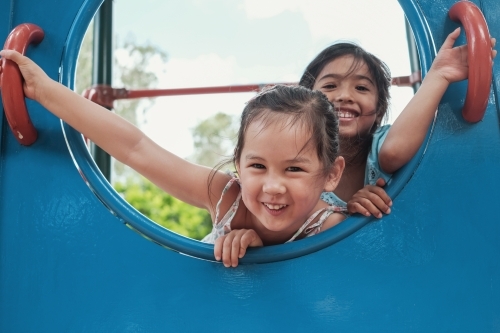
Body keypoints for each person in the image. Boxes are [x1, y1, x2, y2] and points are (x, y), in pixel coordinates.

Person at [0, 50, 347, 267]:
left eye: (294, 169)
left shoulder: (331, 226)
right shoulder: (226, 194)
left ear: (331, 175)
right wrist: (44, 90)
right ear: (238, 164)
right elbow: (138, 148)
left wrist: (258, 254)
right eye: (257, 165)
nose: (273, 185)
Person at [299, 27, 496, 218]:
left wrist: (439, 75)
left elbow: (393, 152)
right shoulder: (292, 160)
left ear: (379, 111)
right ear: (304, 102)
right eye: (330, 85)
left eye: (361, 88)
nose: (344, 96)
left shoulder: (381, 147)